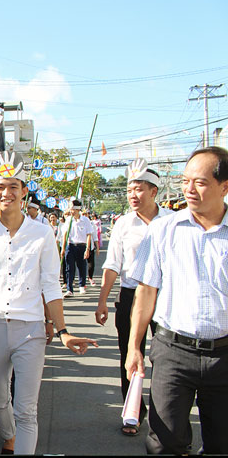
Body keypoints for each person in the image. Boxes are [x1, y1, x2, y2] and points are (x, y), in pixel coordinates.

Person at [0, 151, 97, 455]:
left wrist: (62, 330)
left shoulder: (43, 233)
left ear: (24, 193)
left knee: (27, 410)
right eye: (0, 187)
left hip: (30, 331)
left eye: (13, 187)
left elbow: (50, 284)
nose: (7, 193)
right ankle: (9, 436)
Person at [125, 147, 228, 455]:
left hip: (225, 357)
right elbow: (145, 292)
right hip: (173, 353)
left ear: (225, 186)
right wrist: (134, 347)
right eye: (185, 181)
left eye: (200, 182)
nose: (189, 189)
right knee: (165, 442)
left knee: (222, 443)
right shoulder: (162, 230)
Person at [94, 161, 170, 437]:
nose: (133, 195)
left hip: (164, 298)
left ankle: (165, 413)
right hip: (130, 296)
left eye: (138, 189)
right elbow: (112, 264)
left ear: (153, 191)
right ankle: (133, 412)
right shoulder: (123, 224)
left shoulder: (171, 223)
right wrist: (102, 300)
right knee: (130, 354)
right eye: (129, 190)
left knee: (165, 358)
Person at [62, 200, 94, 297]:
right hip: (71, 246)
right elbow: (65, 235)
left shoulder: (85, 220)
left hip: (81, 246)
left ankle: (82, 285)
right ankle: (69, 289)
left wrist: (87, 249)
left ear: (77, 209)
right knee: (69, 268)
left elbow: (89, 235)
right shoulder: (68, 220)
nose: (71, 211)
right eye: (70, 209)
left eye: (73, 209)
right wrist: (63, 248)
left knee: (81, 266)